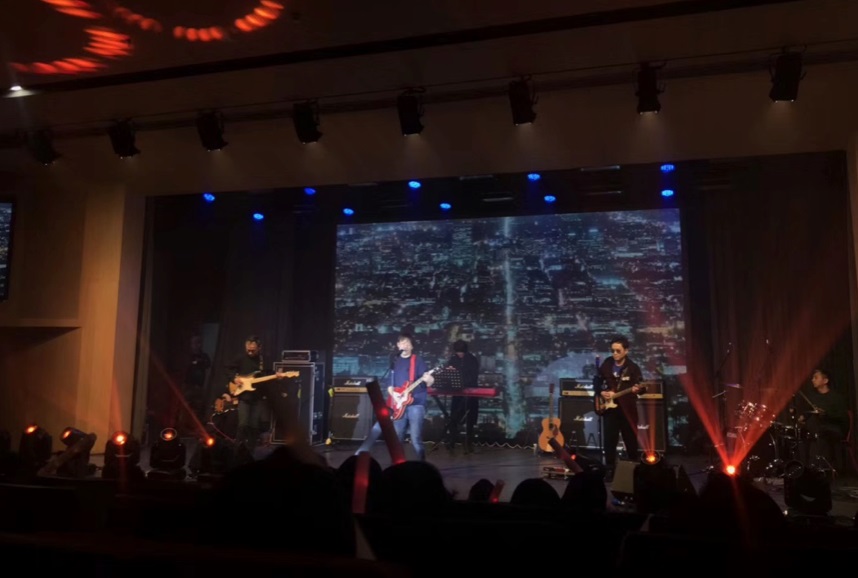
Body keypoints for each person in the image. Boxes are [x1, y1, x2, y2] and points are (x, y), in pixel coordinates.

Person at [356, 332, 435, 461]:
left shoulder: (418, 360)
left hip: (416, 404)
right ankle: (399, 464)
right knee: (398, 437)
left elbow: (429, 382)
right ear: (398, 345)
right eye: (402, 343)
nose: (405, 345)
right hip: (398, 404)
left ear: (411, 346)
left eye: (407, 343)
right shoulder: (395, 362)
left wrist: (429, 379)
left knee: (415, 438)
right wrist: (395, 396)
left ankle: (422, 465)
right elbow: (390, 384)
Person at [220, 335, 285, 456]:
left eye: (253, 350)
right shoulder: (240, 358)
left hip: (257, 397)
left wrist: (277, 375)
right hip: (244, 396)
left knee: (254, 426)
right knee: (243, 424)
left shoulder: (263, 360)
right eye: (248, 350)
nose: (250, 352)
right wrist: (235, 378)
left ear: (259, 348)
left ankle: (250, 452)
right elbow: (227, 368)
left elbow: (268, 373)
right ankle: (236, 451)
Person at [595, 336, 646, 481]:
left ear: (626, 351)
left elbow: (642, 387)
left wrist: (638, 390)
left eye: (618, 351)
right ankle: (610, 469)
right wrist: (601, 392)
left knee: (630, 440)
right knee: (609, 440)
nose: (615, 353)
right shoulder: (606, 364)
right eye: (613, 351)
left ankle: (634, 469)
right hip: (610, 410)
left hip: (628, 410)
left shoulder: (633, 367)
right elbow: (597, 381)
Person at [797, 368, 849, 471]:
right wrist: (803, 417)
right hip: (816, 429)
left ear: (825, 381)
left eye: (816, 377)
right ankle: (805, 466)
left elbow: (842, 417)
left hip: (832, 428)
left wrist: (825, 414)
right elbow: (808, 412)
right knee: (801, 434)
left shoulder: (836, 397)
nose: (812, 380)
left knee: (819, 432)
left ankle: (822, 466)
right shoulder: (813, 397)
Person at [445, 339, 480, 453]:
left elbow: (474, 376)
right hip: (457, 393)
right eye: (458, 352)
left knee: (470, 418)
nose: (460, 354)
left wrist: (464, 383)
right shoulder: (453, 359)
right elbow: (448, 373)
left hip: (470, 393)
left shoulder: (472, 360)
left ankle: (469, 443)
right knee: (454, 417)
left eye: (461, 352)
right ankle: (452, 441)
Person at [181, 334, 211, 427]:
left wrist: (199, 361)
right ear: (191, 344)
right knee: (185, 406)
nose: (197, 345)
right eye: (194, 343)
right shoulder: (187, 355)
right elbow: (185, 366)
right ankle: (183, 426)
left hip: (199, 386)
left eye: (199, 343)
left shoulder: (204, 356)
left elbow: (208, 364)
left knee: (198, 406)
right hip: (188, 385)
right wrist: (194, 362)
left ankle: (195, 427)